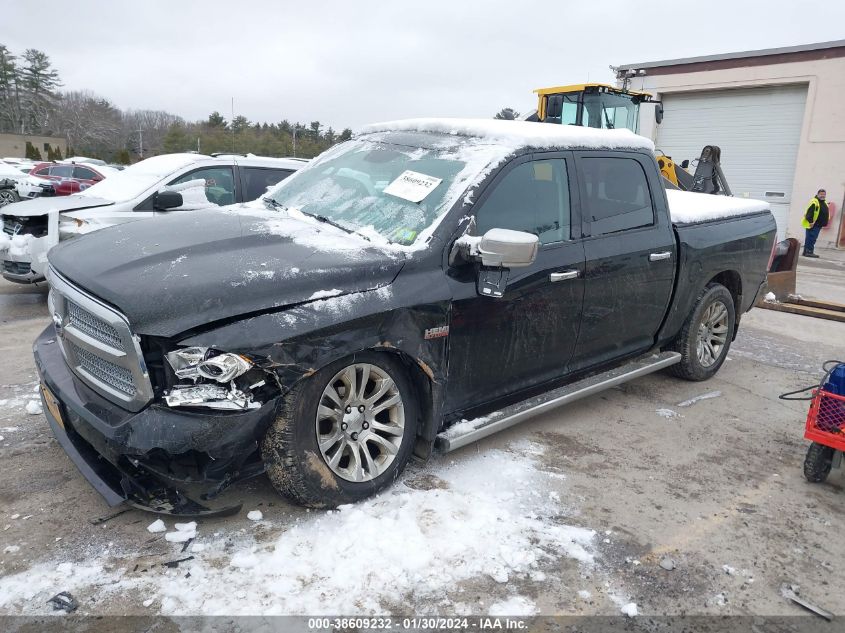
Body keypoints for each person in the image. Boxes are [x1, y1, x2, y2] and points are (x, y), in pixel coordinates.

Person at [802, 189, 829, 258]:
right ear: (817, 194)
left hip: (818, 224)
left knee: (810, 238)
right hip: (813, 224)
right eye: (821, 194)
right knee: (811, 238)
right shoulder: (815, 202)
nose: (823, 196)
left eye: (824, 194)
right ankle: (809, 252)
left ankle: (806, 251)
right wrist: (811, 222)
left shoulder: (824, 202)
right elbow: (809, 213)